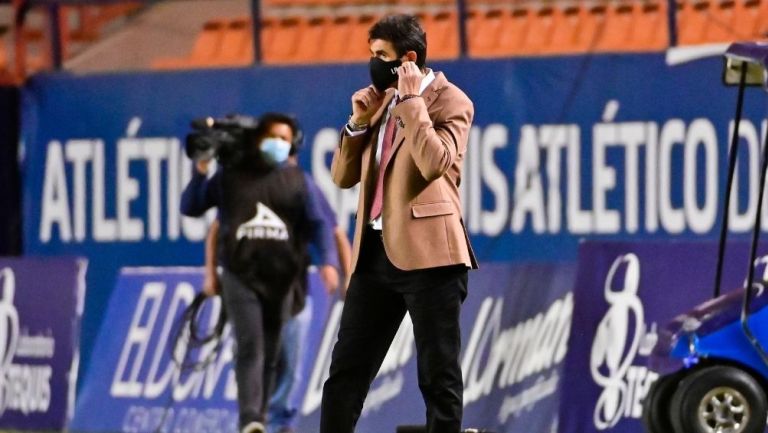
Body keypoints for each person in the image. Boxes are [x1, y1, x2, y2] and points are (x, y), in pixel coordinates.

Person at [320, 14, 477, 433]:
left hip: (431, 258)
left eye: (380, 56)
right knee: (346, 372)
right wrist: (357, 124)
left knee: (437, 374)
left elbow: (435, 163)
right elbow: (342, 177)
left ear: (407, 58)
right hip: (373, 257)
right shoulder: (381, 102)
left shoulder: (451, 101)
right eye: (371, 54)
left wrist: (412, 105)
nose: (372, 64)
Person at [181, 113, 340, 433]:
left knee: (271, 352)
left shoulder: (298, 181)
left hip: (282, 281)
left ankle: (261, 417)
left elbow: (321, 225)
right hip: (241, 275)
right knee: (251, 345)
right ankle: (250, 418)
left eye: (285, 139)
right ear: (257, 140)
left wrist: (328, 261)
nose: (279, 144)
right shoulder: (231, 177)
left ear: (293, 144)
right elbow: (192, 206)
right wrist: (201, 172)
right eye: (273, 137)